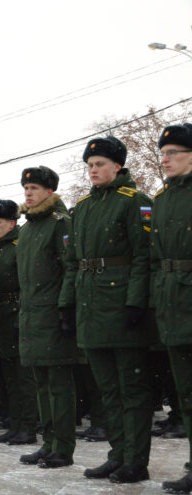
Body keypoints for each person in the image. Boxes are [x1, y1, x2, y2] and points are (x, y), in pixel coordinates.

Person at [60, 136, 153, 484]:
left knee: (132, 389)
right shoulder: (82, 207)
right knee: (108, 390)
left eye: (100, 164)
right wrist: (67, 305)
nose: (94, 170)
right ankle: (117, 455)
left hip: (120, 304)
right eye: (90, 165)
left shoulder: (135, 201)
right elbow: (73, 263)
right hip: (90, 306)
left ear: (117, 166)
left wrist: (135, 301)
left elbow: (144, 254)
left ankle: (136, 460)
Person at [15, 166, 78, 469]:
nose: (28, 193)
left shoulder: (60, 223)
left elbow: (70, 268)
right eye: (26, 188)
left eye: (35, 189)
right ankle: (48, 443)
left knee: (59, 386)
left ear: (50, 192)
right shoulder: (26, 230)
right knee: (41, 385)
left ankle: (63, 447)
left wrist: (66, 308)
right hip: (31, 317)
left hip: (53, 315)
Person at [150, 123, 192, 494]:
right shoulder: (160, 201)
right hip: (172, 304)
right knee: (187, 392)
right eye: (163, 153)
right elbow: (153, 259)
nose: (165, 159)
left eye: (173, 153)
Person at [0, 200, 37, 446]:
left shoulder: (18, 245)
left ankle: (27, 426)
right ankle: (16, 425)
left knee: (23, 376)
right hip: (2, 316)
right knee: (10, 376)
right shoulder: (3, 248)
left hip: (17, 312)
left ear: (12, 223)